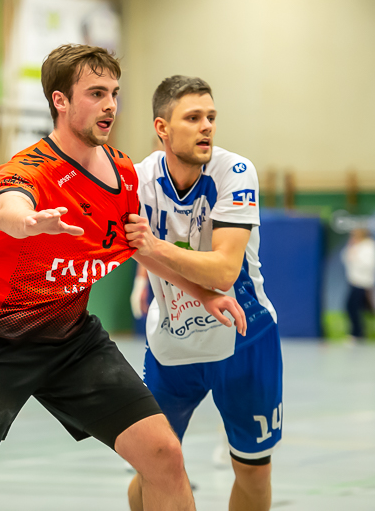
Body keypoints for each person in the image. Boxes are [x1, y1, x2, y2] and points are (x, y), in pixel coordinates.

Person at [0, 45, 245, 511]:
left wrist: (203, 293)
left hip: (72, 342)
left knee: (164, 454)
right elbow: (9, 206)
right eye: (96, 93)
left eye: (114, 93)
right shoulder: (31, 168)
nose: (110, 105)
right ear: (61, 101)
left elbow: (136, 247)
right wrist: (27, 222)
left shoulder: (123, 173)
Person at [124, 75, 282, 511]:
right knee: (153, 467)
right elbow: (125, 246)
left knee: (253, 471)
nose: (207, 126)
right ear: (162, 128)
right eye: (193, 117)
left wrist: (152, 247)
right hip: (172, 342)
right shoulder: (135, 180)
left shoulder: (235, 171)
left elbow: (225, 269)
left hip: (243, 337)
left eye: (211, 116)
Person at [341, 228, 375, 338]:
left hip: (363, 283)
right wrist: (351, 247)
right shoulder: (354, 246)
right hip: (353, 281)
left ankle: (357, 333)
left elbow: (369, 265)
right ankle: (357, 333)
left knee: (353, 307)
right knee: (352, 307)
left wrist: (355, 255)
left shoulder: (370, 246)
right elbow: (344, 258)